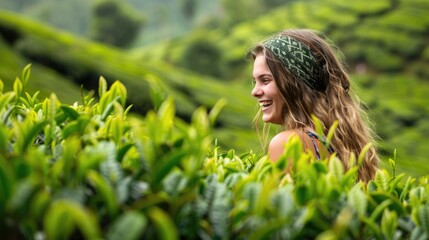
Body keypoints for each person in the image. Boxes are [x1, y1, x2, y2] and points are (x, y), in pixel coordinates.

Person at [249, 29, 379, 182]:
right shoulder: (341, 144)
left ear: (295, 83)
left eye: (265, 80)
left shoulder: (287, 143)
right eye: (255, 81)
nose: (254, 92)